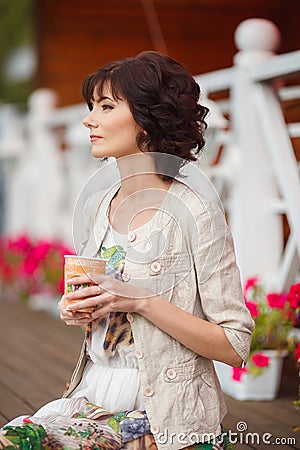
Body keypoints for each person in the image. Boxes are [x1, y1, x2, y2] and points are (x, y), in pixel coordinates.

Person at [0, 51, 254, 450]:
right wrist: (81, 309)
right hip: (92, 394)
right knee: (15, 437)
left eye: (105, 106)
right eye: (91, 107)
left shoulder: (194, 210)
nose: (88, 119)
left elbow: (235, 346)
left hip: (164, 413)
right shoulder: (101, 207)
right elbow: (109, 323)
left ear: (148, 119)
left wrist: (141, 300)